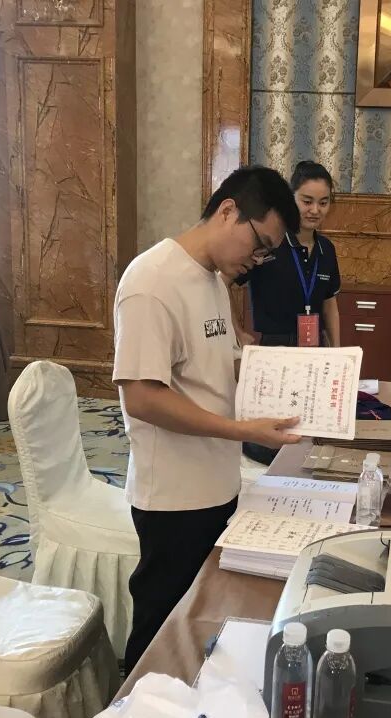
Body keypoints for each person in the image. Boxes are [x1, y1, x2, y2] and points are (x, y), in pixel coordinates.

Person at [113, 165, 304, 674]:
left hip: (216, 482)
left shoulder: (213, 280)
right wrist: (242, 431)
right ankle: (133, 708)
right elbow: (143, 398)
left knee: (199, 618)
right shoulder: (152, 281)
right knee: (160, 627)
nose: (256, 260)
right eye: (259, 244)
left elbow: (218, 368)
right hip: (174, 496)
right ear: (227, 211)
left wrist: (290, 378)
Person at [231, 160, 342, 350]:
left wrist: (337, 351)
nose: (315, 210)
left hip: (316, 349)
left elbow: (329, 304)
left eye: (323, 203)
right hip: (274, 349)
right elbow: (223, 281)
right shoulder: (269, 241)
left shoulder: (326, 249)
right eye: (307, 202)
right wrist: (237, 332)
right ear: (291, 199)